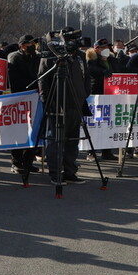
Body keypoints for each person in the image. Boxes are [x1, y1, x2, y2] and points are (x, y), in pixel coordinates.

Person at [37, 31, 91, 184]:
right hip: (57, 104)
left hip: (77, 103)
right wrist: (47, 101)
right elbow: (42, 80)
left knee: (72, 141)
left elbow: (86, 76)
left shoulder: (79, 56)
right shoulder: (51, 55)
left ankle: (70, 172)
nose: (75, 43)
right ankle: (55, 173)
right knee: (55, 141)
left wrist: (85, 93)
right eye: (71, 40)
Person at [7, 35, 42, 173]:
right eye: (29, 44)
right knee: (19, 131)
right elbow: (14, 81)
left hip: (35, 99)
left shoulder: (37, 58)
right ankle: (16, 162)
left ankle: (28, 161)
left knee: (34, 131)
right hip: (20, 98)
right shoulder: (15, 58)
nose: (33, 46)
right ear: (22, 45)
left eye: (34, 43)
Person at [85, 39, 119, 161]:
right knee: (95, 124)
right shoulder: (91, 60)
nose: (105, 49)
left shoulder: (111, 60)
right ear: (96, 49)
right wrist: (103, 72)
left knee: (108, 124)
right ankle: (91, 151)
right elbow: (90, 70)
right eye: (102, 47)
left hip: (110, 94)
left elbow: (121, 69)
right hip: (96, 94)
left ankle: (107, 151)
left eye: (107, 47)